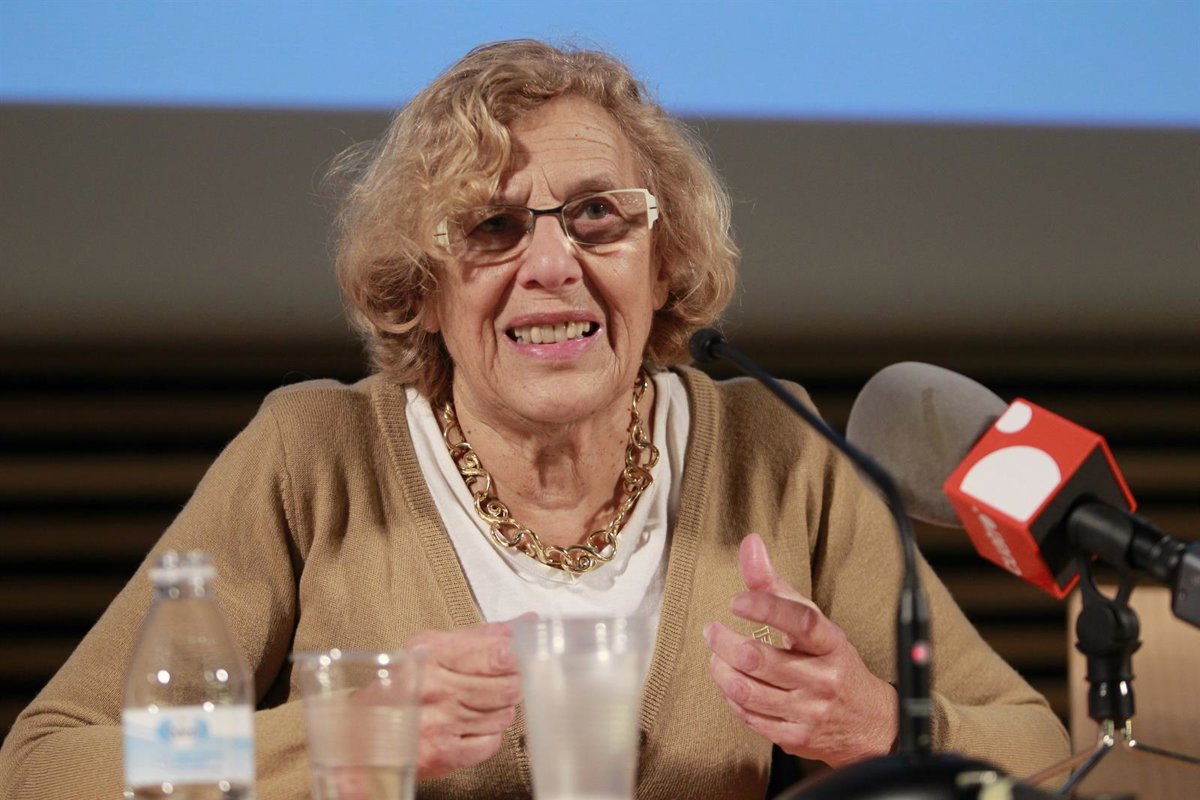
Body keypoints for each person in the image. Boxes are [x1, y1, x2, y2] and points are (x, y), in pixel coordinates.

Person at [0, 39, 1069, 799]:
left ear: (664, 261)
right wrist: (348, 735)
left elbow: (1040, 747)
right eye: (491, 225)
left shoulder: (779, 455)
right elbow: (50, 763)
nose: (553, 263)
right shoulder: (313, 455)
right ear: (421, 287)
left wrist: (877, 726)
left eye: (598, 214)